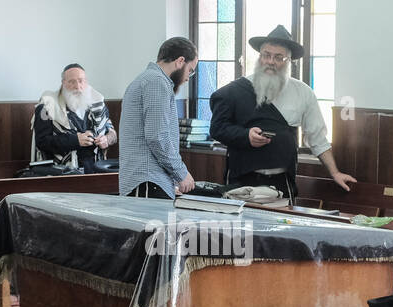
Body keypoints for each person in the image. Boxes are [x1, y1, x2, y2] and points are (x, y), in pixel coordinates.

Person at [208, 25, 356, 201]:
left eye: (278, 57)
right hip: (242, 182)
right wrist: (245, 135)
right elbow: (217, 128)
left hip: (282, 182)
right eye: (266, 55)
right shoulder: (234, 91)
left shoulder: (303, 92)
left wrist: (335, 173)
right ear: (259, 57)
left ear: (289, 61)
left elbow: (317, 138)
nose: (271, 61)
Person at [118, 37, 198, 198]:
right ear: (180, 61)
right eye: (190, 70)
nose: (188, 77)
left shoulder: (145, 79)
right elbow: (157, 136)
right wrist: (181, 172)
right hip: (148, 180)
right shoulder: (157, 82)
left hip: (147, 181)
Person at [31, 63, 116, 168]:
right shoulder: (47, 107)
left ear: (86, 82)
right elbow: (41, 142)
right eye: (72, 82)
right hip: (63, 173)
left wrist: (107, 139)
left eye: (81, 81)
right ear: (63, 83)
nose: (77, 86)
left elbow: (112, 133)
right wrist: (74, 140)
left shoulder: (98, 104)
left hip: (97, 169)